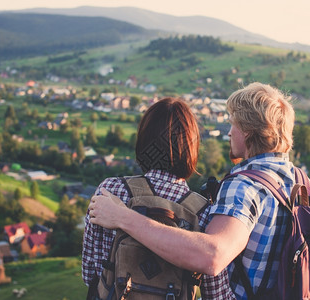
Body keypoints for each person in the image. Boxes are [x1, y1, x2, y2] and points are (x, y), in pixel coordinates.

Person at [89, 82, 310, 299]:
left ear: (248, 131)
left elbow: (212, 258)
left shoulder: (242, 187)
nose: (229, 132)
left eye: (234, 124)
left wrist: (124, 217)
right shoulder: (307, 188)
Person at [82, 97, 235, 299]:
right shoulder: (203, 212)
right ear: (191, 148)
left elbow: (89, 273)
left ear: (144, 141)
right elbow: (217, 294)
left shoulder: (110, 191)